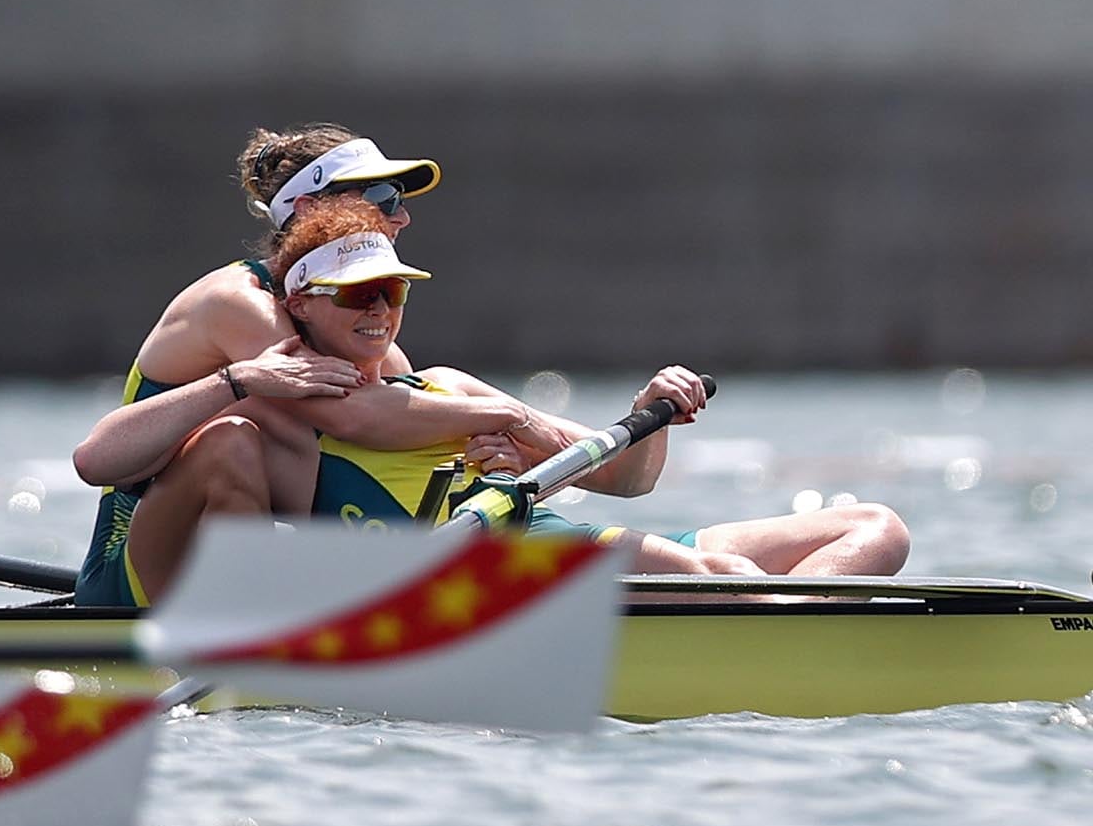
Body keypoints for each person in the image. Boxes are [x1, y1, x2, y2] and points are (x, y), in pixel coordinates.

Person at [265, 197, 911, 578]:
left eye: (393, 290)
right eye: (356, 294)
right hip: (490, 576)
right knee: (729, 576)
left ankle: (797, 630)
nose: (380, 310)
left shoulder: (445, 386)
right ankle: (780, 635)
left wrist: (645, 414)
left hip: (555, 542)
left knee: (875, 527)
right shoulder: (296, 402)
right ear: (299, 304)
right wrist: (505, 423)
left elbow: (628, 481)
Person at [72, 124, 453, 608]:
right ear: (309, 209)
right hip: (132, 575)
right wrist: (513, 419)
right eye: (381, 196)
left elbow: (407, 427)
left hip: (231, 565)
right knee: (232, 440)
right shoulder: (237, 303)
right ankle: (261, 629)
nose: (401, 218)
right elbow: (360, 418)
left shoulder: (357, 321)